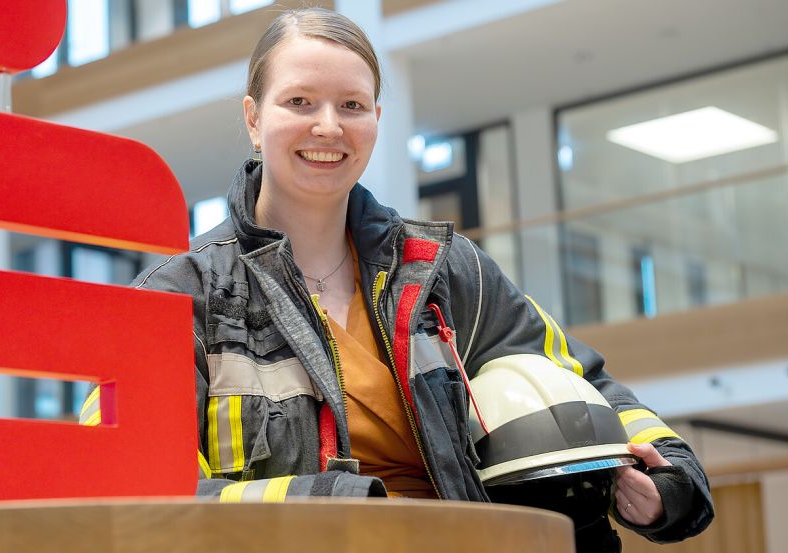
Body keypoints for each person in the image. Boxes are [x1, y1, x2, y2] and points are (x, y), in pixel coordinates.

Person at [83, 6, 713, 547]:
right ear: (253, 117)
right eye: (299, 101)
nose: (328, 126)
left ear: (377, 119)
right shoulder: (177, 297)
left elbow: (589, 388)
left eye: (351, 105)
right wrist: (338, 504)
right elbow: (128, 491)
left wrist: (668, 485)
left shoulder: (444, 269)